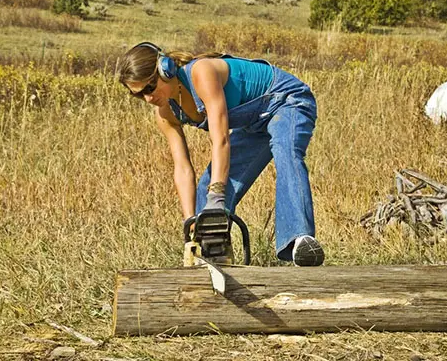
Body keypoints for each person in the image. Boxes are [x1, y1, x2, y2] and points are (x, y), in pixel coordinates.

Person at [117, 42, 324, 266]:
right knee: (207, 191)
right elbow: (182, 168)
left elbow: (221, 139)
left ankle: (300, 242)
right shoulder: (165, 113)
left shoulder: (201, 73)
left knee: (286, 149)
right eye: (139, 95)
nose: (148, 98)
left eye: (149, 88)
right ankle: (214, 259)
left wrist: (218, 196)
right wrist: (191, 222)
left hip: (286, 100)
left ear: (164, 69)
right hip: (253, 124)